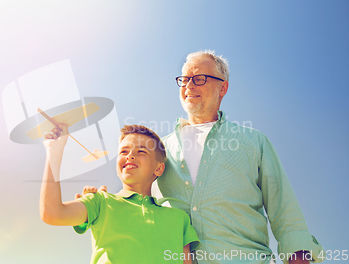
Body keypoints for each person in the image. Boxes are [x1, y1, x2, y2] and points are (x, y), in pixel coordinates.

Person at [80, 50, 324, 264]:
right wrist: (103, 201)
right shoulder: (159, 150)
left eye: (199, 79)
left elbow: (284, 211)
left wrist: (298, 258)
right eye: (184, 80)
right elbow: (138, 200)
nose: (188, 86)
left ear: (223, 87)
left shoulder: (254, 142)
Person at [40, 124, 200, 263]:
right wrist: (54, 152)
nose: (130, 155)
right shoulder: (99, 201)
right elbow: (52, 213)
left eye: (142, 151)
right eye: (124, 152)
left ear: (158, 168)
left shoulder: (179, 219)